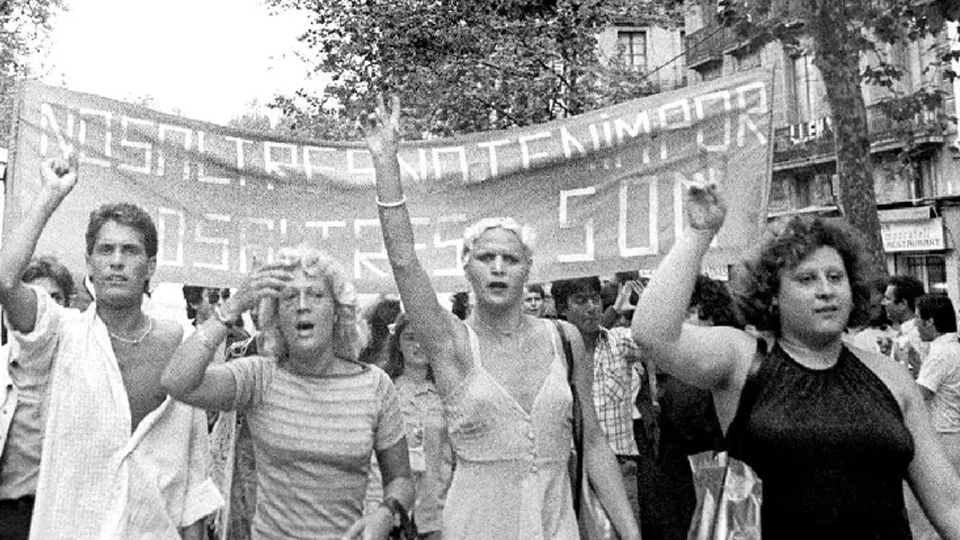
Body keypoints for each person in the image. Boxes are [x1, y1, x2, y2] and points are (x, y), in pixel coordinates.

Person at [365, 95, 641, 540]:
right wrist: (385, 164)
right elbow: (402, 260)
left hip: (556, 523)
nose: (497, 267)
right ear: (466, 267)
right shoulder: (450, 342)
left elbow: (592, 443)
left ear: (528, 269)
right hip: (477, 522)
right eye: (485, 257)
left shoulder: (564, 339)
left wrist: (631, 532)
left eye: (509, 259)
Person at [631, 180, 960, 538]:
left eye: (836, 277)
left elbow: (948, 503)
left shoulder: (891, 376)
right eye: (806, 279)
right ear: (773, 295)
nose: (825, 289)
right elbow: (653, 334)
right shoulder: (743, 360)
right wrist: (699, 233)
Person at [0, 155, 222, 539]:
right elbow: (6, 281)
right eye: (106, 251)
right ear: (89, 263)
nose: (116, 262)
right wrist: (50, 195)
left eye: (130, 251)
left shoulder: (180, 344)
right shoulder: (60, 335)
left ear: (150, 266)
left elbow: (192, 481)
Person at [160, 244, 414, 540]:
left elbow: (401, 481)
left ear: (336, 312)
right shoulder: (259, 376)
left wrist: (386, 513)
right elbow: (177, 382)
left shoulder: (375, 385)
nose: (302, 305)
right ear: (277, 316)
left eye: (316, 295)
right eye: (290, 297)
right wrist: (232, 307)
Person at [636, 275, 730, 540]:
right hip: (698, 479)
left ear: (705, 314)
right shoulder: (716, 360)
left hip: (700, 477)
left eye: (686, 313)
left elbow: (686, 415)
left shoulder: (696, 366)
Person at [551, 276, 642, 520]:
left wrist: (645, 306)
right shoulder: (551, 353)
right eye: (580, 301)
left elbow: (660, 342)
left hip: (620, 466)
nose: (591, 307)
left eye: (595, 298)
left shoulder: (620, 342)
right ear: (562, 308)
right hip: (568, 469)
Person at [0, 255, 75, 540]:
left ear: (68, 305)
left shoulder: (86, 369)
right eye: (34, 297)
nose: (45, 309)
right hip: (10, 516)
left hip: (65, 517)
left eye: (55, 298)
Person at [380, 313, 454, 540]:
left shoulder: (449, 393)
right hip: (395, 508)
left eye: (425, 337)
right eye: (410, 337)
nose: (419, 345)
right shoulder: (385, 389)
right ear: (399, 343)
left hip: (438, 507)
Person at [884, 274, 927, 376]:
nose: (883, 303)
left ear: (902, 304)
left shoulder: (911, 337)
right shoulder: (912, 332)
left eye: (888, 299)